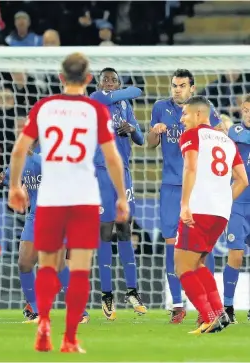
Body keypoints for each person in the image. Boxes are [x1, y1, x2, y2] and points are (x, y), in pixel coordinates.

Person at [8, 52, 129, 353]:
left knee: (48, 265)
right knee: (78, 269)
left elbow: (21, 148)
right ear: (89, 80)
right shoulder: (95, 110)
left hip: (51, 197)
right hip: (83, 197)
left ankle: (44, 326)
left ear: (61, 78)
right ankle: (71, 337)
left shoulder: (44, 108)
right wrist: (122, 196)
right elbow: (113, 157)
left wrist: (14, 187)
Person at [146, 69, 221, 323]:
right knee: (171, 247)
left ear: (192, 88)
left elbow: (219, 133)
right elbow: (150, 143)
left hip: (198, 187)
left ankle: (209, 307)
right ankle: (177, 305)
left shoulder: (202, 109)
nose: (177, 89)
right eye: (174, 85)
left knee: (201, 251)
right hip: (170, 188)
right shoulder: (160, 107)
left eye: (182, 85)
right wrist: (156, 131)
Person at [0, 144, 90, 324]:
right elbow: (11, 175)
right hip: (35, 215)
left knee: (57, 263)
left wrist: (33, 156)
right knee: (24, 262)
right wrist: (1, 177)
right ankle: (37, 311)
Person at [175, 96, 248, 334]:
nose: (182, 118)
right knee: (197, 264)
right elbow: (243, 180)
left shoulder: (192, 135)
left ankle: (208, 316)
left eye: (185, 113)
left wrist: (185, 204)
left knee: (182, 267)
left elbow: (191, 167)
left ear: (198, 114)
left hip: (198, 209)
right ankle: (219, 313)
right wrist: (225, 200)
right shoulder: (227, 141)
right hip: (221, 212)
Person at [90, 68, 146, 319]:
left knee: (124, 230)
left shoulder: (125, 105)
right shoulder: (96, 99)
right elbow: (137, 90)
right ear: (100, 83)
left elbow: (141, 140)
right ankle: (106, 294)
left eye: (114, 80)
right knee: (105, 231)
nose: (110, 83)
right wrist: (124, 91)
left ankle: (132, 291)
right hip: (102, 173)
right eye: (106, 80)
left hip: (124, 174)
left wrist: (131, 128)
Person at [223, 95, 250, 323]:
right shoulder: (235, 132)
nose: (248, 114)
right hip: (238, 203)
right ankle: (228, 306)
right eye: (245, 110)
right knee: (236, 255)